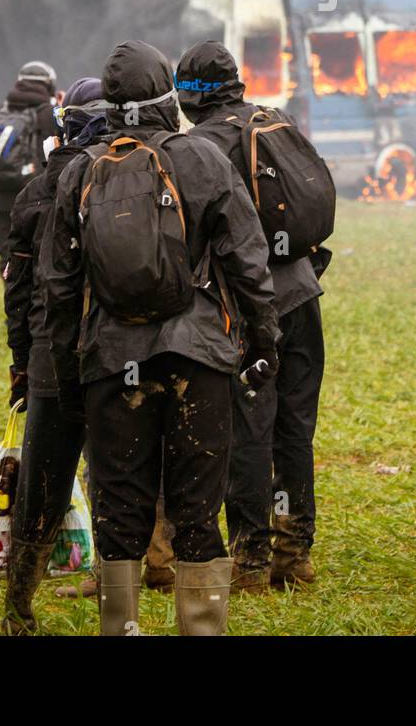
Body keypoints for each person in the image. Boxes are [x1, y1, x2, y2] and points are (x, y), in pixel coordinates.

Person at [45, 40, 280, 636]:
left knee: (119, 515)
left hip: (110, 366)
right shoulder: (200, 158)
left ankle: (120, 626)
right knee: (197, 511)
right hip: (197, 360)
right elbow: (248, 260)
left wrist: (67, 370)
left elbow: (58, 284)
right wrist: (262, 340)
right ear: (168, 98)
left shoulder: (79, 170)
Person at [175, 40, 328, 592]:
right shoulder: (276, 120)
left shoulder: (200, 146)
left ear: (191, 95)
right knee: (295, 428)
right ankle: (297, 552)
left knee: (249, 430)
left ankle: (251, 559)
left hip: (246, 306)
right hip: (303, 294)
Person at [0, 76, 105, 635]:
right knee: (122, 475)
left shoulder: (39, 189)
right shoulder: (134, 173)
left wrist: (21, 361)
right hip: (122, 352)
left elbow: (17, 291)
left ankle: (18, 605)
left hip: (50, 354)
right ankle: (124, 594)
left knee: (43, 479)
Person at [0, 60, 58, 288]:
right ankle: (34, 319)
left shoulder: (1, 111)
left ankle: (13, 314)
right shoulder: (50, 114)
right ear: (49, 84)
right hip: (35, 200)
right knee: (37, 260)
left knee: (9, 260)